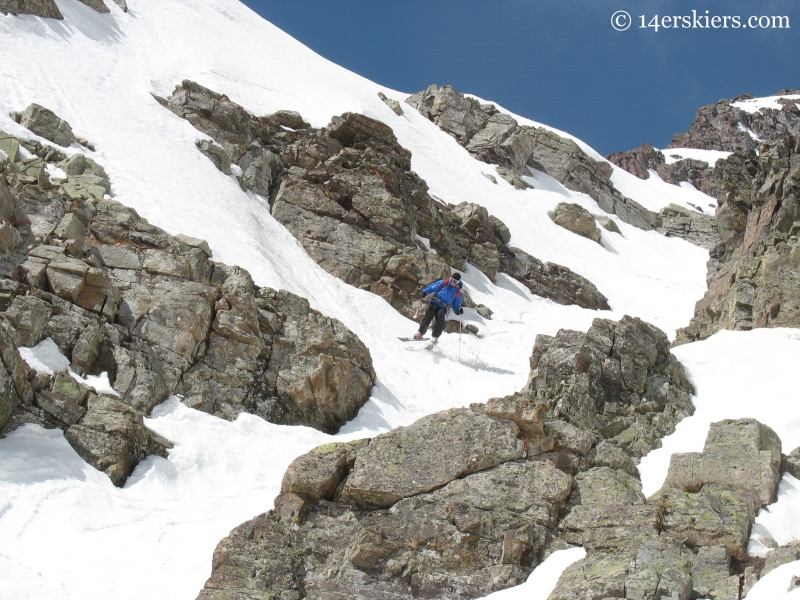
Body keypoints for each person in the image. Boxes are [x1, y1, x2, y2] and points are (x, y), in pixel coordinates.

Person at [413, 272, 464, 345]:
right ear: (450, 279)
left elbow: (457, 304)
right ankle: (420, 333)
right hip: (434, 302)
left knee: (440, 318)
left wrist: (457, 310)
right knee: (429, 315)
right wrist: (424, 292)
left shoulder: (457, 292)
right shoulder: (443, 283)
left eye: (455, 281)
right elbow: (432, 287)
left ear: (458, 282)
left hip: (443, 307)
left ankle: (435, 337)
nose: (453, 282)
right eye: (452, 280)